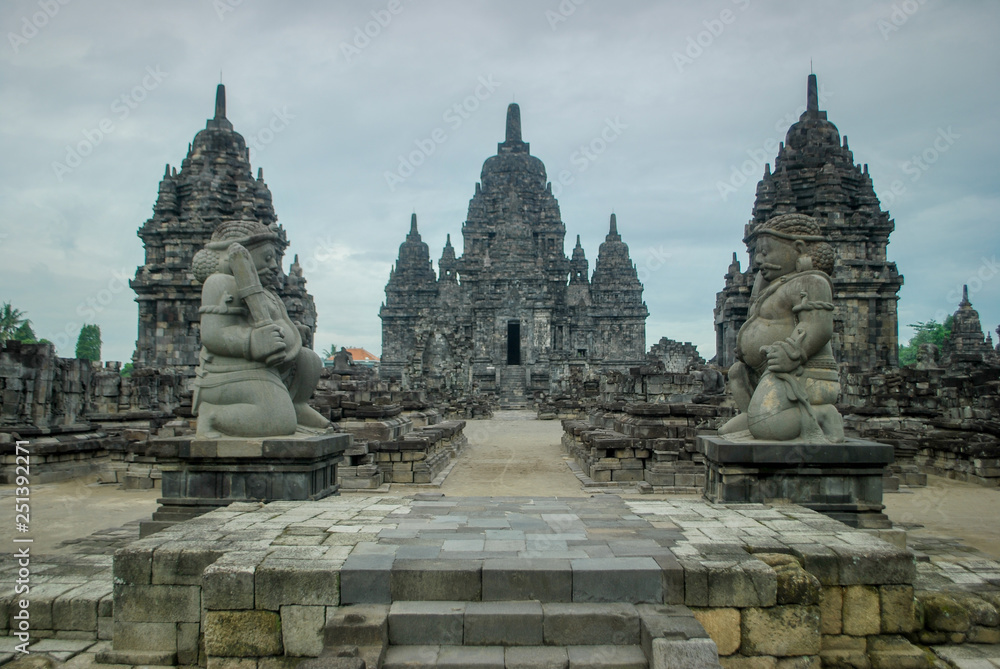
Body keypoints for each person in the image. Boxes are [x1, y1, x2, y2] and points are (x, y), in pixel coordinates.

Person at [191, 219, 331, 438]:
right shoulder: (220, 283)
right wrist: (252, 341)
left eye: (276, 259)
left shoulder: (266, 293)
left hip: (271, 366)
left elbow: (275, 320)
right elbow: (212, 334)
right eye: (267, 258)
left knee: (309, 359)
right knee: (278, 420)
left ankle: (296, 403)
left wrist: (293, 331)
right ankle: (211, 415)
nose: (275, 266)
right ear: (240, 256)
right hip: (231, 371)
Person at [718, 213, 844, 443]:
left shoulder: (813, 282)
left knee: (766, 428)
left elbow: (818, 327)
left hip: (802, 374)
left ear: (798, 249)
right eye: (756, 254)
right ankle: (757, 417)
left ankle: (823, 415)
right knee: (735, 379)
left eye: (766, 252)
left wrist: (792, 353)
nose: (758, 261)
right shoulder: (776, 286)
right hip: (766, 373)